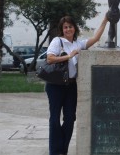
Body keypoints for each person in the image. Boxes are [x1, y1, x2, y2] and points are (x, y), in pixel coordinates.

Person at [45, 14, 108, 155]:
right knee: (54, 118)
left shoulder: (78, 44)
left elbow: (95, 38)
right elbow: (49, 59)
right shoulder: (57, 41)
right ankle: (55, 152)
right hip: (55, 85)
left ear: (75, 28)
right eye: (65, 27)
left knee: (70, 118)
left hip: (71, 86)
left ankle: (63, 149)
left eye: (70, 26)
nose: (68, 29)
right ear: (62, 29)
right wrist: (68, 56)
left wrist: (105, 20)